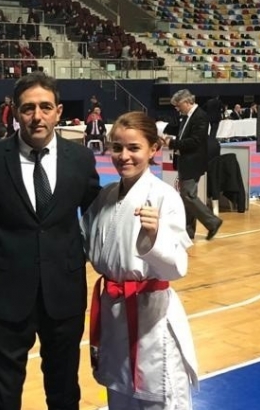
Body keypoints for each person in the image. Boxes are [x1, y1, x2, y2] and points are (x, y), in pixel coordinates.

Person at [0, 72, 101, 410]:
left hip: (64, 289)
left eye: (45, 107)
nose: (37, 116)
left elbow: (97, 213)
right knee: (4, 388)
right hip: (8, 289)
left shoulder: (81, 159)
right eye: (28, 108)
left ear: (58, 112)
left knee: (64, 387)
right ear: (16, 113)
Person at [81, 111, 198, 410]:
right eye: (117, 147)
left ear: (153, 149)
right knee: (119, 394)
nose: (124, 156)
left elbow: (177, 267)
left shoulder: (164, 197)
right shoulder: (106, 196)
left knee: (157, 395)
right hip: (113, 312)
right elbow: (84, 243)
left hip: (151, 317)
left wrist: (155, 236)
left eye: (134, 148)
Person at [163, 89, 222, 240]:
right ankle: (188, 232)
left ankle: (212, 222)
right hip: (184, 161)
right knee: (186, 198)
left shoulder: (200, 116)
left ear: (186, 102)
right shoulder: (186, 117)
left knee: (188, 196)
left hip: (193, 162)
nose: (177, 108)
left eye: (178, 105)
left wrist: (173, 143)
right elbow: (180, 133)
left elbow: (195, 141)